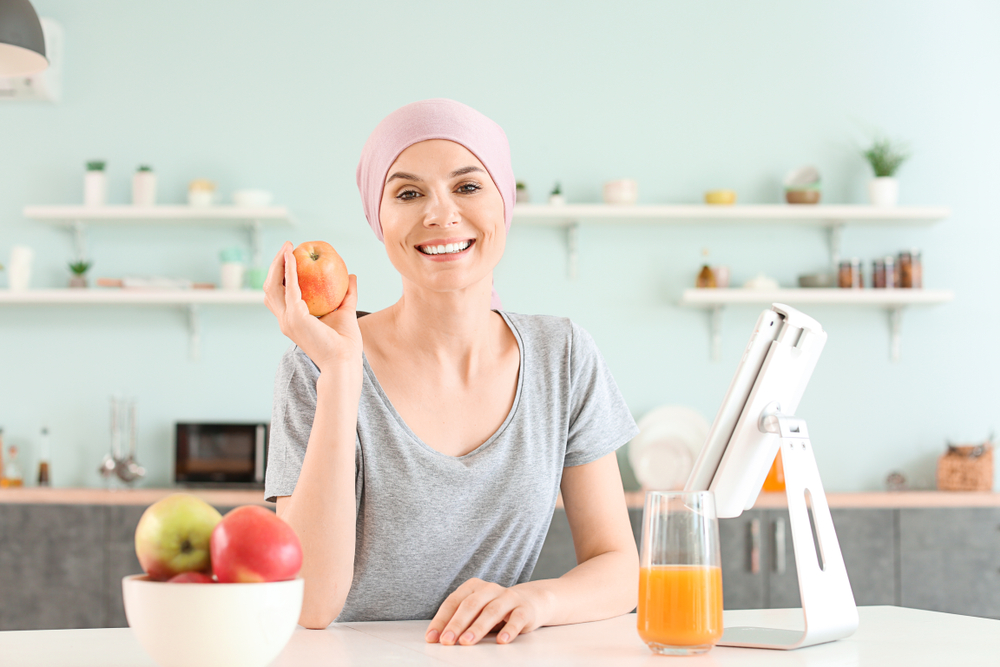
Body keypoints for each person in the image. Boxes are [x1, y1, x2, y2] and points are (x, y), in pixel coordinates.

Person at [262, 99, 640, 646]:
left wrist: (538, 600)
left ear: (504, 202)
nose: (441, 214)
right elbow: (311, 604)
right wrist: (341, 373)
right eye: (408, 193)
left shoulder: (563, 356)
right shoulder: (315, 365)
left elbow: (619, 566)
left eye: (467, 186)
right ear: (378, 219)